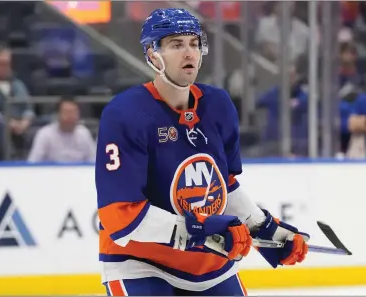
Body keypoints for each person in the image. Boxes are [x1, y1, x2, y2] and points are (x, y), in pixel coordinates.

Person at [95, 8, 309, 296]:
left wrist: (265, 229)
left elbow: (224, 186)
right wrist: (200, 230)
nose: (189, 54)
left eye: (194, 43)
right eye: (176, 44)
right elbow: (119, 216)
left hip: (209, 267)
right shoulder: (125, 114)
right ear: (151, 52)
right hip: (140, 264)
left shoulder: (218, 105)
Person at [27, 97, 97, 162]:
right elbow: (33, 162)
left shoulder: (84, 133)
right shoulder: (45, 134)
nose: (70, 116)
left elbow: (93, 161)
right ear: (58, 115)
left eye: (74, 112)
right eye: (66, 112)